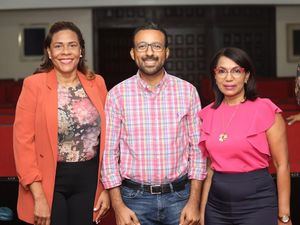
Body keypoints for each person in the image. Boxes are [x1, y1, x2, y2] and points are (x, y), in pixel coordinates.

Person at [101, 22, 207, 225]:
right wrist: (118, 206)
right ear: (133, 53)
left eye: (156, 46)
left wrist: (194, 202)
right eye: (142, 46)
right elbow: (109, 154)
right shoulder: (117, 95)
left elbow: (197, 150)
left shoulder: (187, 92)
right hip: (133, 200)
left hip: (180, 198)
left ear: (166, 52)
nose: (149, 52)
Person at [13, 21, 110, 225]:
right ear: (49, 51)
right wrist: (38, 195)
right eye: (58, 46)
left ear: (81, 50)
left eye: (72, 45)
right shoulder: (34, 85)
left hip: (89, 179)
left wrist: (107, 188)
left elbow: (109, 139)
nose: (65, 51)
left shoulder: (97, 82)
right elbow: (23, 143)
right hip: (49, 179)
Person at [198, 47, 292, 225]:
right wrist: (203, 212)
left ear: (246, 76)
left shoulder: (265, 109)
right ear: (215, 76)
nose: (229, 78)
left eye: (236, 71)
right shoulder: (208, 114)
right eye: (222, 71)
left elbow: (282, 165)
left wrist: (284, 215)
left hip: (257, 203)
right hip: (216, 207)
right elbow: (210, 169)